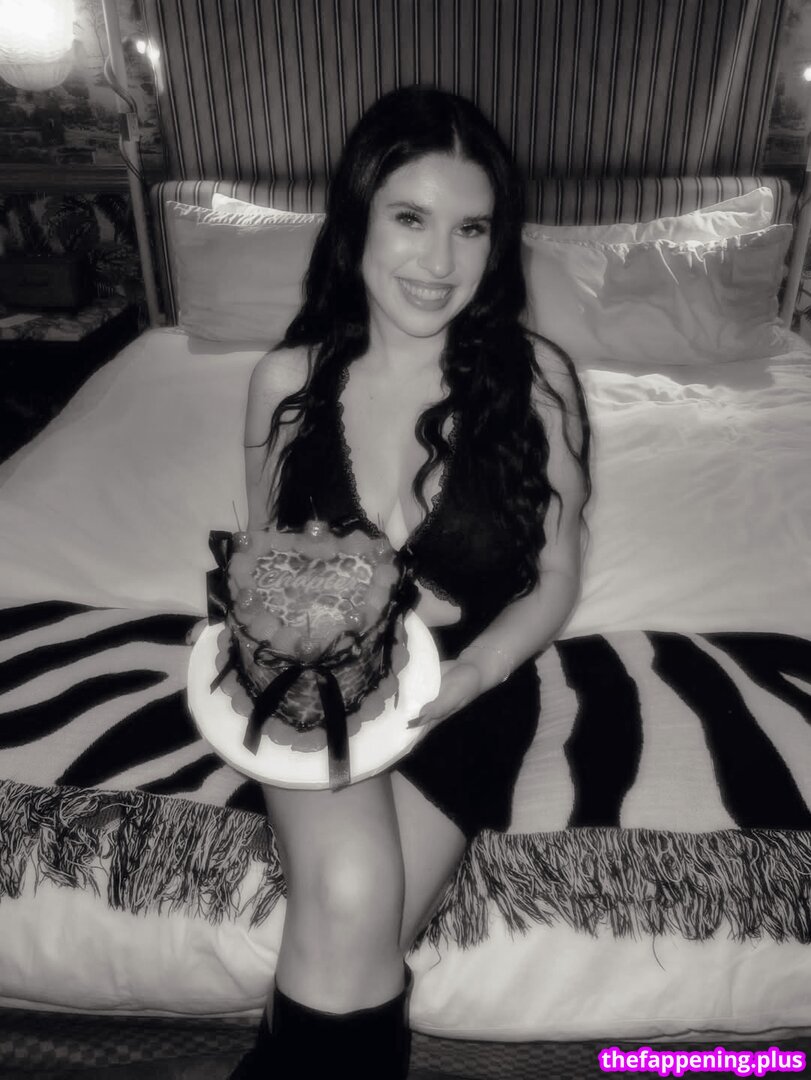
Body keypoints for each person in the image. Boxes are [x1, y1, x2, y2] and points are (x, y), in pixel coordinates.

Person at [229, 84, 590, 1079]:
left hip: (463, 692)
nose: (439, 264)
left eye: (470, 228)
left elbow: (557, 570)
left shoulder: (538, 384)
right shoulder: (286, 384)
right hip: (315, 678)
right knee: (352, 893)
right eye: (411, 219)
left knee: (355, 937)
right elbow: (261, 566)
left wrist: (478, 674)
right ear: (357, 220)